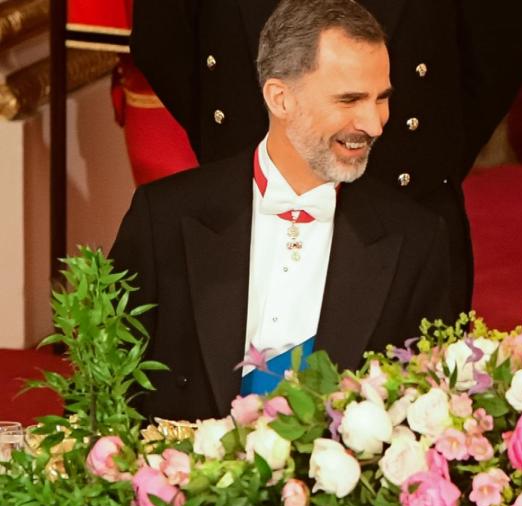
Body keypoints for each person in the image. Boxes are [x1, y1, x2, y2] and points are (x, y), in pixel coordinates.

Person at [109, 0, 452, 422]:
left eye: (381, 98)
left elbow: (423, 415)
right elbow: (106, 388)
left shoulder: (416, 239)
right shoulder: (163, 218)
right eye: (349, 100)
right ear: (280, 98)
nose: (375, 124)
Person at [129, 0, 522, 315]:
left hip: (405, 205)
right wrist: (242, 151)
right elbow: (162, 41)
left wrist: (425, 155)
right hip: (243, 206)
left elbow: (500, 45)